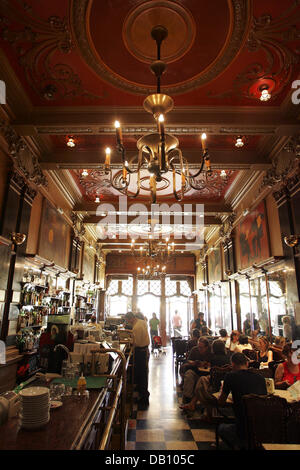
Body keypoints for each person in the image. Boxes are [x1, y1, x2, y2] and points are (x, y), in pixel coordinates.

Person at [217, 352, 267, 450]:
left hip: (242, 428)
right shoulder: (260, 378)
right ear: (247, 364)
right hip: (262, 427)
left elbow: (221, 402)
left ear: (233, 364)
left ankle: (239, 445)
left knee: (221, 428)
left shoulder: (230, 376)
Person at [180, 340, 231, 416]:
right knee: (194, 377)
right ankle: (191, 402)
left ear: (211, 348)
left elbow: (211, 369)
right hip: (227, 385)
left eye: (201, 347)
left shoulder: (213, 358)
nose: (199, 348)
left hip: (214, 385)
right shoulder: (229, 357)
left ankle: (193, 404)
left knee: (202, 382)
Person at [124, 312, 150, 409]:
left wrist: (129, 340)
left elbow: (137, 343)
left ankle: (144, 397)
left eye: (127, 320)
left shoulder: (136, 327)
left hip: (140, 351)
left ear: (130, 319)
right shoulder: (142, 322)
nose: (127, 322)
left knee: (141, 374)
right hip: (144, 350)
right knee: (143, 373)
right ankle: (142, 393)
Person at [180, 337, 213, 403]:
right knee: (189, 374)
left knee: (202, 380)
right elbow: (188, 360)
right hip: (196, 372)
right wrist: (193, 362)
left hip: (207, 374)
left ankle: (200, 402)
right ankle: (187, 398)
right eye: (198, 346)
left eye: (201, 347)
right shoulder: (194, 350)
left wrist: (207, 364)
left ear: (206, 347)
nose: (199, 349)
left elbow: (214, 363)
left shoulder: (211, 351)